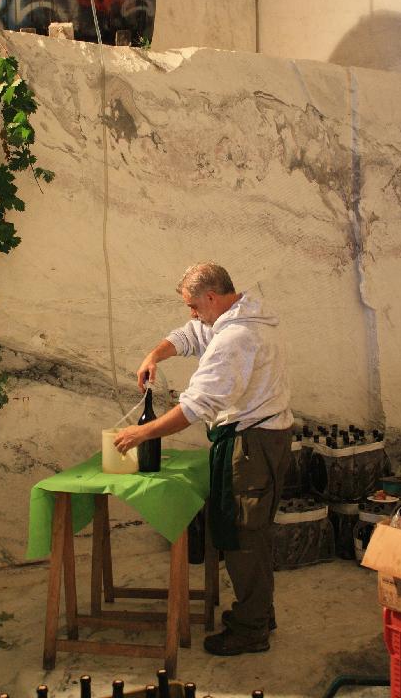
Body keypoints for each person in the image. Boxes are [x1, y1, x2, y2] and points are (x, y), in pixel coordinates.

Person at [114, 262, 294, 655]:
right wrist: (154, 355)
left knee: (244, 536)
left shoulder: (237, 338)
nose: (192, 314)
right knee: (253, 532)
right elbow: (190, 335)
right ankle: (260, 612)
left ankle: (251, 629)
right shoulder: (236, 315)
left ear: (211, 297)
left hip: (252, 444)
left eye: (194, 306)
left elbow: (195, 407)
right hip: (263, 438)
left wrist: (140, 434)